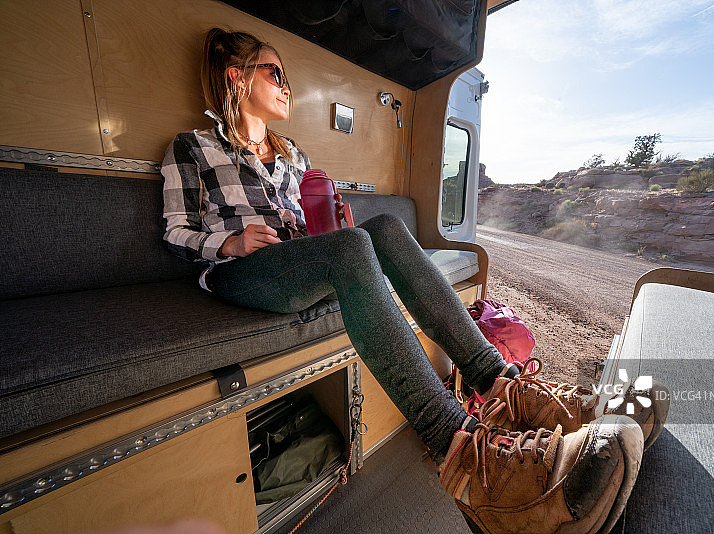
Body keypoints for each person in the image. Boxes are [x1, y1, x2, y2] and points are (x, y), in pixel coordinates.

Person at [161, 27, 665, 534]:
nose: (287, 85)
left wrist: (335, 221)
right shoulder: (194, 148)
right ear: (236, 76)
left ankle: (507, 390)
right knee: (356, 246)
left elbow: (321, 232)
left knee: (380, 228)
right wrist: (228, 244)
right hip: (239, 272)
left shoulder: (292, 154)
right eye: (276, 73)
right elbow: (174, 232)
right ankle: (463, 458)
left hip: (299, 262)